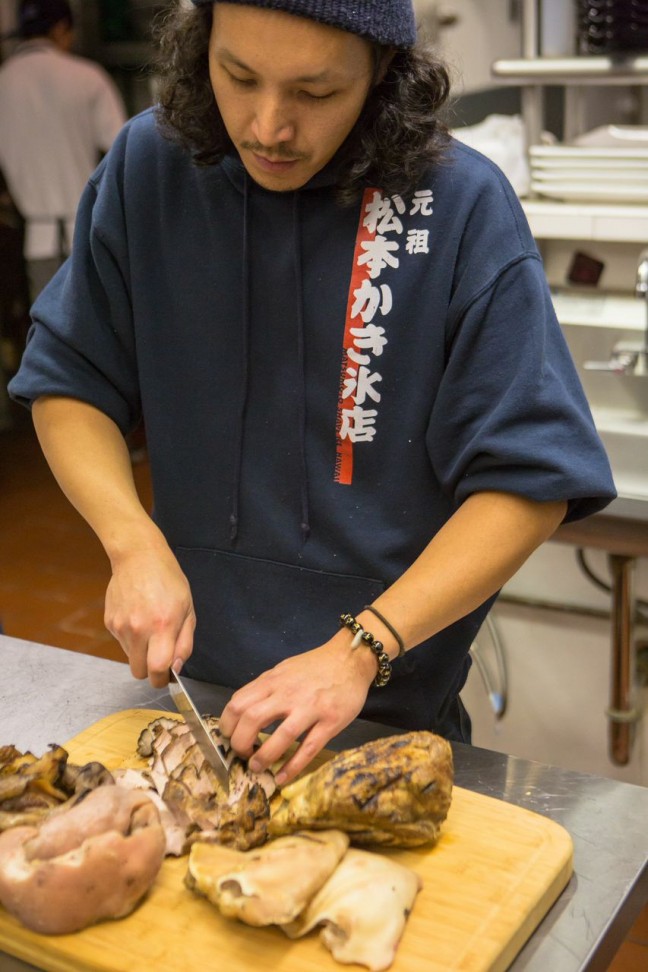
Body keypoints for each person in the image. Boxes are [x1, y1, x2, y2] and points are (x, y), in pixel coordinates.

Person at [9, 0, 616, 786]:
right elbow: (69, 378)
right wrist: (131, 541)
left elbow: (530, 482)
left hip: (387, 718)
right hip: (190, 704)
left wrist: (360, 650)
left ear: (382, 75)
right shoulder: (149, 169)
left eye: (316, 92)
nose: (268, 126)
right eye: (239, 76)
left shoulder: (460, 206)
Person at [0, 0, 127, 299]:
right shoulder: (88, 77)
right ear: (61, 29)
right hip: (88, 234)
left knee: (49, 338)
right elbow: (122, 153)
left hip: (35, 240)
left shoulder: (3, 82)